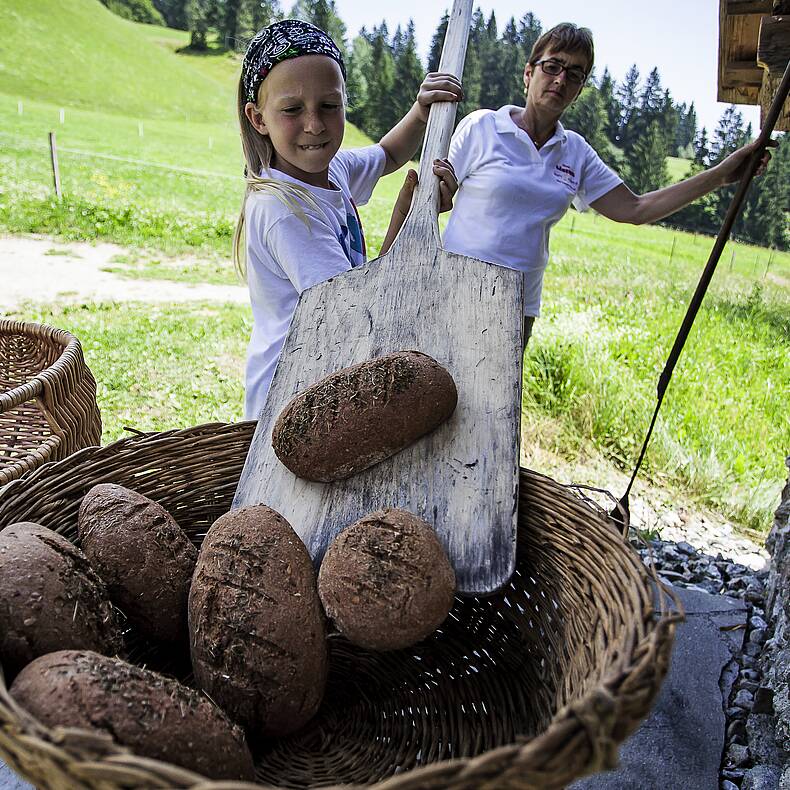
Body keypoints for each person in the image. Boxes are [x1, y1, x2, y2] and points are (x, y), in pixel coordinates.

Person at [443, 22, 773, 346]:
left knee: (492, 401)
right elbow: (435, 195)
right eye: (553, 66)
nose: (560, 79)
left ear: (579, 90)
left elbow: (636, 208)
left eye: (574, 74)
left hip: (516, 307)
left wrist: (719, 175)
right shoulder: (482, 127)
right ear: (529, 73)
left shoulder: (576, 152)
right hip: (453, 286)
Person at [234, 19, 462, 419]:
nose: (315, 124)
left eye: (330, 105)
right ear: (258, 118)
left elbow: (389, 155)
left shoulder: (331, 170)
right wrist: (408, 222)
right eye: (292, 109)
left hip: (329, 376)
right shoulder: (284, 212)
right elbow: (358, 316)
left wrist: (422, 112)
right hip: (290, 403)